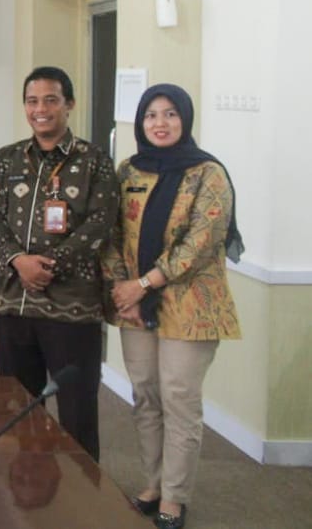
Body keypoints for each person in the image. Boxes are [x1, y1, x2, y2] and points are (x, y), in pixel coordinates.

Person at [103, 84, 242, 529]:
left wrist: (142, 284)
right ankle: (154, 483)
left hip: (190, 304)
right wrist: (120, 286)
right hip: (133, 305)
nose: (160, 124)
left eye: (169, 115)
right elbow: (110, 233)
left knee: (179, 399)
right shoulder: (128, 170)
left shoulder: (208, 174)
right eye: (151, 116)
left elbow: (199, 245)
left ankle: (176, 497)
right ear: (141, 122)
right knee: (145, 397)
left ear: (185, 119)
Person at [0, 65, 118, 461]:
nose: (40, 109)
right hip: (13, 303)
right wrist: (18, 260)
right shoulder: (8, 159)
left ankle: (83, 503)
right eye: (32, 101)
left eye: (51, 100)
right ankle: (27, 492)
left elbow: (100, 222)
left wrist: (48, 265)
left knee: (76, 412)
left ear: (69, 104)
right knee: (16, 408)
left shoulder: (94, 161)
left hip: (70, 309)